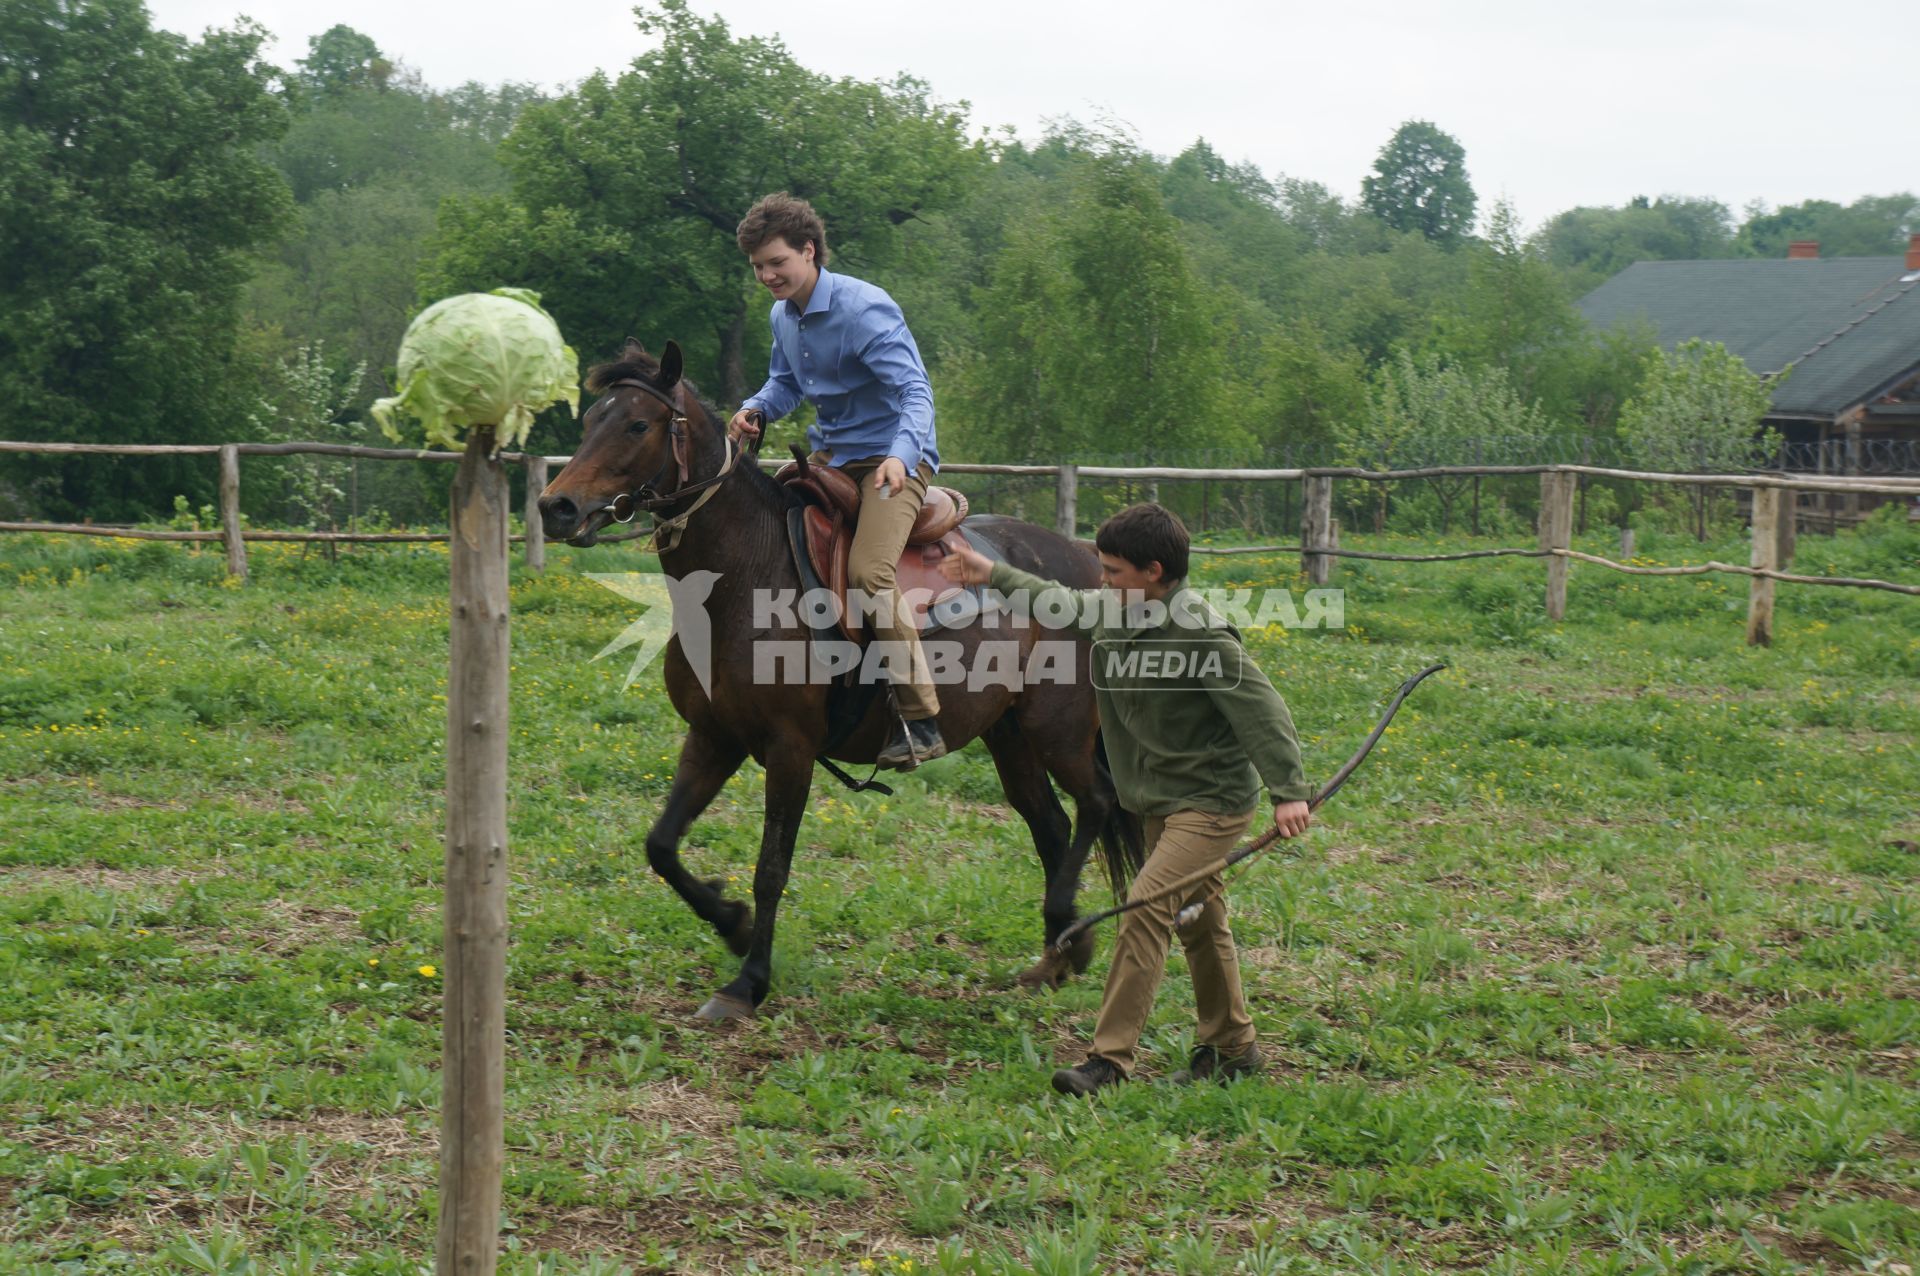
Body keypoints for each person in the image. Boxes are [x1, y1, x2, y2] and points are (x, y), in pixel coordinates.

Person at [938, 503, 1314, 1095]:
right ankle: (1234, 1048)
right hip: (1154, 802)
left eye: (1112, 570)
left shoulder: (1201, 633)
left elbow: (1263, 713)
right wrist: (991, 574)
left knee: (1144, 910)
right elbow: (1053, 600)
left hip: (1209, 802)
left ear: (1153, 572)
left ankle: (1109, 1062)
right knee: (1202, 924)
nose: (1101, 580)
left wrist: (1290, 793)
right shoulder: (1115, 612)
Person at [728, 192, 944, 769]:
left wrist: (902, 455)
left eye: (777, 262)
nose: (767, 276)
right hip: (832, 456)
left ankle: (921, 719)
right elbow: (785, 384)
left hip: (895, 463)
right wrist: (756, 408)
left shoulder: (864, 309)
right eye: (757, 268)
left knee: (869, 574)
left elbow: (915, 393)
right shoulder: (783, 315)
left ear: (809, 250)